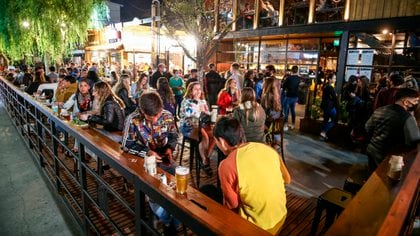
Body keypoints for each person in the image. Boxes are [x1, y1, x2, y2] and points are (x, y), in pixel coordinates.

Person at [214, 116, 291, 234]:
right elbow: (287, 179)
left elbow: (232, 205)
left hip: (257, 228)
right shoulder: (267, 148)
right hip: (280, 217)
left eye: (216, 141)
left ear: (223, 142)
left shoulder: (226, 165)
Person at [121, 92, 178, 174]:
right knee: (148, 183)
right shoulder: (132, 119)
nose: (155, 120)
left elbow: (173, 136)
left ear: (161, 108)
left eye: (157, 116)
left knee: (176, 175)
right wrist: (147, 152)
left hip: (162, 158)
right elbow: (125, 146)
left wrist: (169, 148)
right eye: (150, 117)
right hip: (142, 160)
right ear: (142, 111)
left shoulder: (167, 115)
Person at [365, 88, 420, 172]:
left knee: (371, 174)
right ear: (405, 102)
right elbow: (413, 140)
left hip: (372, 150)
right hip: (390, 157)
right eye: (415, 101)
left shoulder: (380, 110)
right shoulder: (407, 118)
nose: (417, 103)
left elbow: (367, 128)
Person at [180, 82, 214, 176]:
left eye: (199, 89)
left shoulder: (202, 101)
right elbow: (189, 114)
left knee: (215, 135)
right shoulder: (186, 101)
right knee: (205, 137)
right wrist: (200, 109)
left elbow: (207, 113)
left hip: (201, 125)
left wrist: (212, 113)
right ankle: (205, 161)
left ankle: (204, 156)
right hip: (188, 126)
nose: (198, 91)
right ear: (190, 90)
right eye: (196, 89)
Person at [282, 65, 301, 131]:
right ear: (297, 70)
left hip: (288, 96)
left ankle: (286, 125)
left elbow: (283, 86)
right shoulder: (299, 78)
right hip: (295, 97)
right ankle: (293, 124)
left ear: (292, 70)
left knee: (286, 111)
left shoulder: (289, 78)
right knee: (293, 110)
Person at [320, 75, 337, 140]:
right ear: (330, 79)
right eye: (334, 78)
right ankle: (324, 132)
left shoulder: (325, 86)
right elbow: (335, 97)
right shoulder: (330, 87)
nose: (335, 80)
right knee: (333, 120)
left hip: (325, 105)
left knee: (325, 120)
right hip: (330, 106)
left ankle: (323, 134)